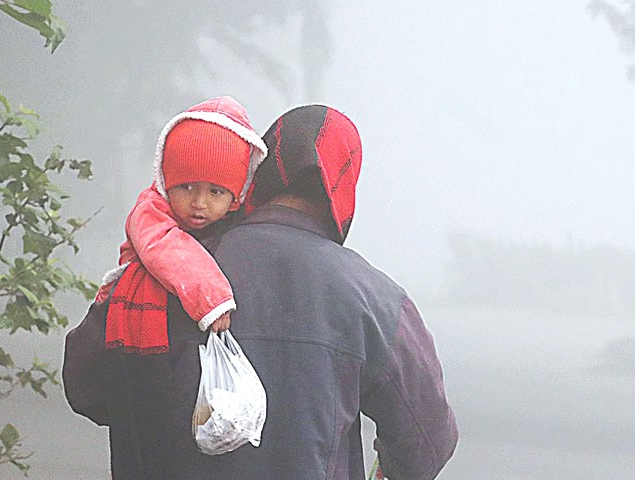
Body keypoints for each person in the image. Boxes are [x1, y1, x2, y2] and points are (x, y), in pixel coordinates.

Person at [63, 104, 458, 479]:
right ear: (344, 190)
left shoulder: (168, 270)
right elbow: (426, 444)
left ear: (260, 176)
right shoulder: (377, 300)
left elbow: (87, 388)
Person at [95, 96, 267, 353]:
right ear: (167, 181)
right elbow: (167, 246)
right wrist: (211, 298)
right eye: (186, 187)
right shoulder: (149, 211)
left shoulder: (241, 224)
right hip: (135, 315)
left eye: (215, 192)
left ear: (235, 197)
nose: (199, 202)